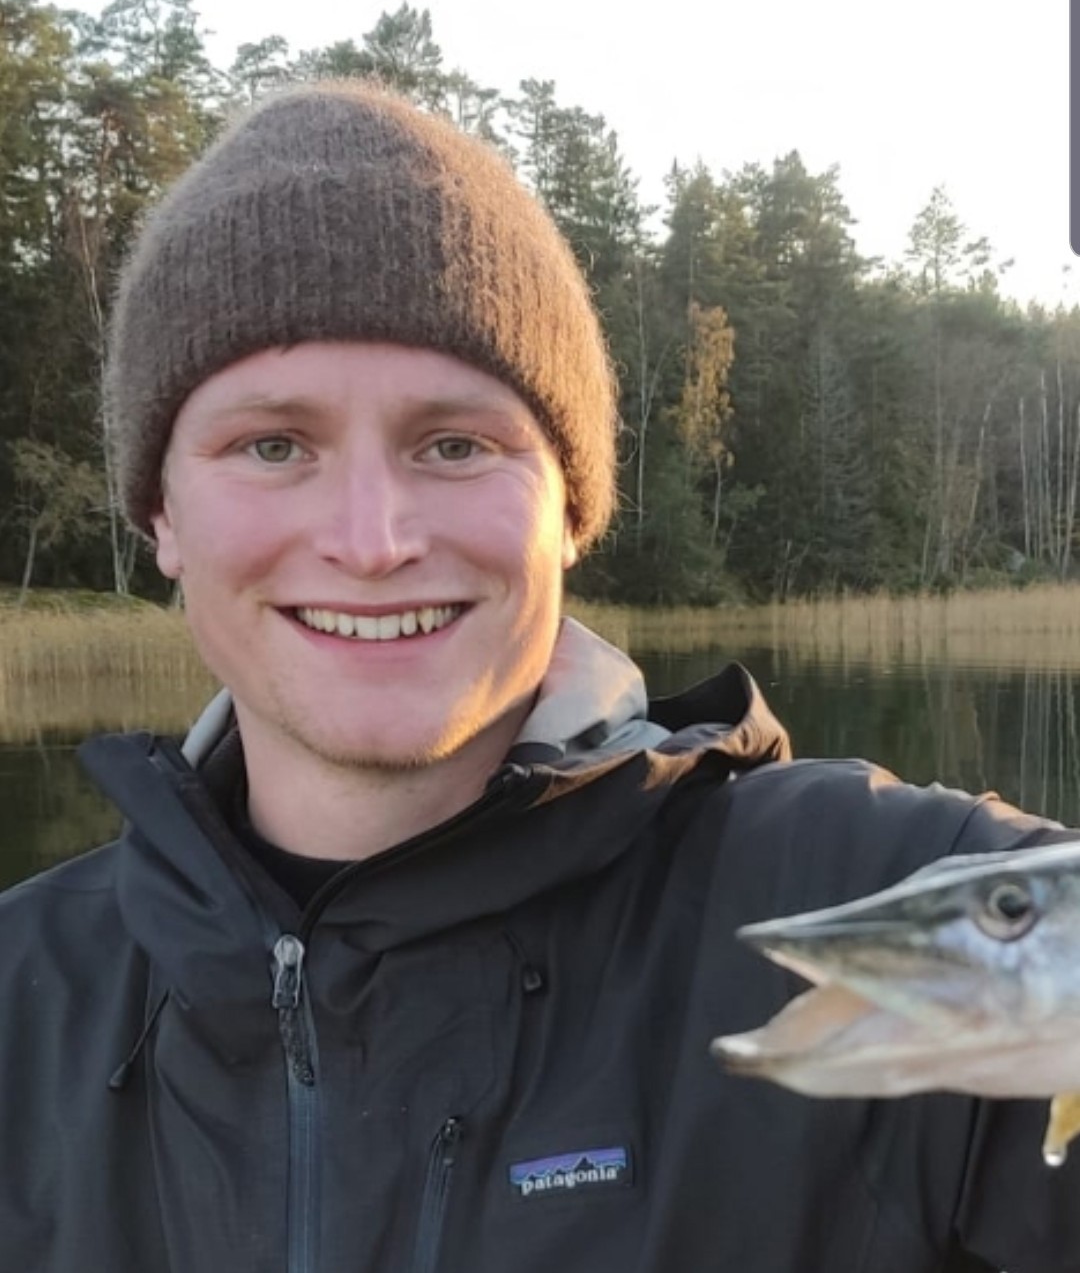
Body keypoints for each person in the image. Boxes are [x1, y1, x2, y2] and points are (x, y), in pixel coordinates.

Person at [1, 80, 1077, 1273]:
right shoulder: (20, 1002)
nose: (372, 537)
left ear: (571, 508)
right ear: (160, 512)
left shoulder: (918, 902)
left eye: (455, 444)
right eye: (273, 445)